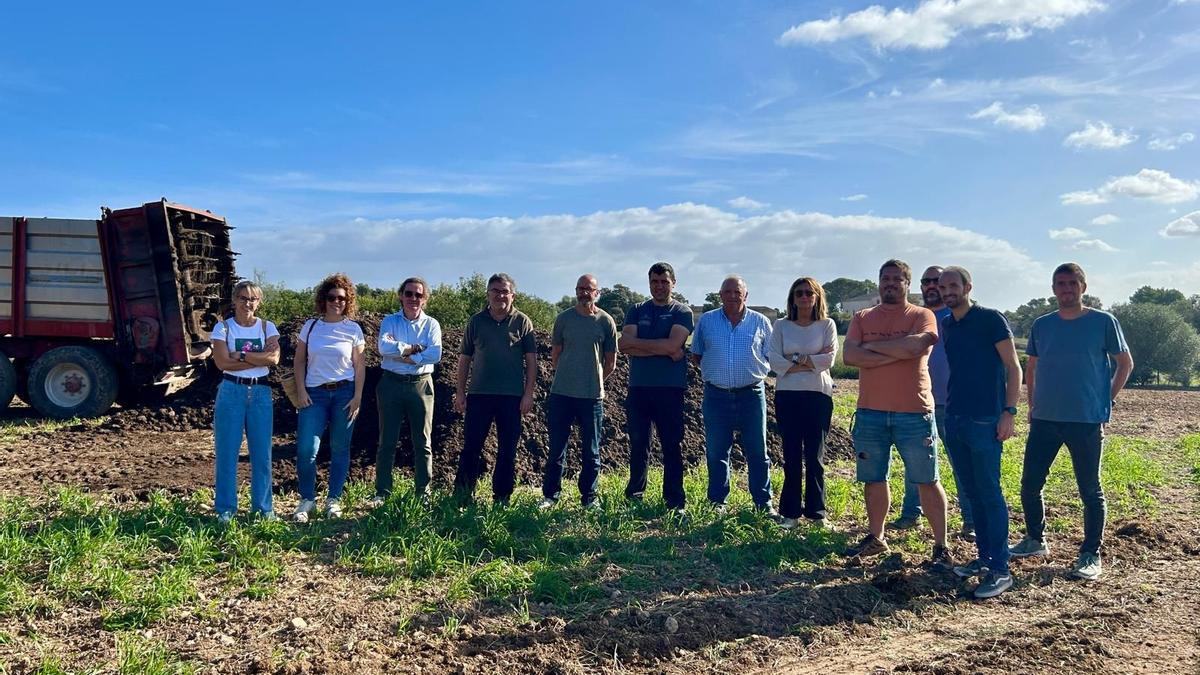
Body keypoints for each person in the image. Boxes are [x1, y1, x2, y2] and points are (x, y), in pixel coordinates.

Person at [1010, 262, 1133, 581]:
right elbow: (1032, 367)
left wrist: (1107, 399)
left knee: (1090, 489)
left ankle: (1091, 554)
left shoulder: (1104, 322)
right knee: (1030, 483)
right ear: (1053, 289)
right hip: (1045, 418)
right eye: (1060, 284)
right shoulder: (1042, 324)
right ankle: (1035, 540)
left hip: (1086, 420)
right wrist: (1033, 403)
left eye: (1072, 283)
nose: (1066, 289)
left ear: (1083, 287)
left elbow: (1125, 363)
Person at [842, 259, 951, 568]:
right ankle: (876, 538)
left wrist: (873, 350)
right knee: (874, 478)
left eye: (896, 279)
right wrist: (898, 350)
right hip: (870, 413)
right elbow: (850, 355)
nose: (890, 283)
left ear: (907, 284)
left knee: (927, 479)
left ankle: (941, 546)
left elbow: (918, 347)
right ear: (879, 282)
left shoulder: (922, 315)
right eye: (885, 278)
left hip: (913, 413)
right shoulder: (862, 317)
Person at [938, 266, 1022, 598]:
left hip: (986, 420)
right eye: (943, 287)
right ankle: (984, 558)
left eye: (953, 285)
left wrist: (1009, 412)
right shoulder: (947, 324)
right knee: (971, 495)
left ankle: (1000, 569)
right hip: (955, 418)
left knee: (989, 493)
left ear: (968, 287)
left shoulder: (991, 319)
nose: (947, 291)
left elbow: (1013, 366)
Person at [896, 265, 976, 543]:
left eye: (937, 282)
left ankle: (970, 521)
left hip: (953, 404)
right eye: (926, 282)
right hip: (919, 402)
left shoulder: (959, 317)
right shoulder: (918, 318)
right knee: (915, 463)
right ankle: (910, 514)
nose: (931, 286)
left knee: (961, 464)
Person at [690, 276, 776, 516]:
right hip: (716, 395)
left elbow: (769, 355)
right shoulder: (707, 321)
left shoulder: (760, 322)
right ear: (720, 295)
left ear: (745, 295)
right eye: (727, 292)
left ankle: (763, 502)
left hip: (751, 394)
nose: (732, 296)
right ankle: (718, 502)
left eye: (737, 292)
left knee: (758, 451)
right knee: (717, 451)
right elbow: (696, 354)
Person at [452, 273, 538, 506]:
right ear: (488, 294)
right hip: (479, 395)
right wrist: (461, 391)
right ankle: (462, 496)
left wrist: (528, 393)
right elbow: (464, 359)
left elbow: (531, 361)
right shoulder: (476, 322)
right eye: (495, 291)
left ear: (513, 295)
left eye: (505, 291)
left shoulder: (523, 322)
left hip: (511, 397)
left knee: (507, 450)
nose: (500, 295)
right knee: (471, 447)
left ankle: (502, 497)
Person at [618, 262, 694, 516]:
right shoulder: (637, 310)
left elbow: (674, 346)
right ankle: (635, 495)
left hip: (670, 389)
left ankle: (674, 500)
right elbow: (624, 345)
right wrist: (662, 348)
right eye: (654, 282)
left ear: (673, 283)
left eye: (664, 281)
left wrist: (641, 345)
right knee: (639, 442)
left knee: (672, 444)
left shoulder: (681, 312)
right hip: (639, 387)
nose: (659, 286)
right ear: (649, 283)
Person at [291, 273, 366, 522]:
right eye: (332, 297)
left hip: (344, 393)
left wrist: (357, 396)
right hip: (314, 395)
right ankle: (307, 500)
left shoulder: (353, 329)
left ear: (348, 301)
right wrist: (301, 390)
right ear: (323, 299)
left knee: (340, 448)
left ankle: (333, 500)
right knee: (306, 449)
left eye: (342, 298)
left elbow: (359, 366)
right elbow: (299, 360)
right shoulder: (311, 327)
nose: (337, 302)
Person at [540, 274, 618, 509]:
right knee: (556, 448)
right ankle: (550, 496)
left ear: (597, 293)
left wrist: (593, 380)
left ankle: (589, 497)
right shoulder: (564, 319)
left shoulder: (606, 322)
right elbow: (556, 355)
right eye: (581, 288)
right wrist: (571, 376)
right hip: (562, 394)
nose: (584, 292)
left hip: (592, 397)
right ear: (576, 291)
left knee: (591, 450)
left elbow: (611, 362)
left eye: (589, 289)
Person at [767, 276, 837, 530]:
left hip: (818, 396)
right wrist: (809, 362)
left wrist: (793, 360)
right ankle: (790, 513)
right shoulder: (782, 326)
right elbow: (774, 360)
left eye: (809, 293)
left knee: (815, 456)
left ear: (817, 296)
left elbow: (828, 360)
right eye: (799, 293)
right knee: (792, 456)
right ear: (792, 298)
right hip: (788, 397)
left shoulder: (826, 324)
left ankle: (817, 513)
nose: (804, 297)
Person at [210, 280, 280, 523]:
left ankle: (263, 509)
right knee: (227, 452)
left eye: (253, 298)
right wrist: (257, 359)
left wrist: (240, 354)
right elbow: (222, 363)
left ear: (259, 302)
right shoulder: (223, 329)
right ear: (234, 300)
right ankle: (226, 509)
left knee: (262, 454)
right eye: (243, 298)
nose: (247, 303)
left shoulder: (267, 327)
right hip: (231, 392)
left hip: (260, 393)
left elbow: (274, 358)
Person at [370, 277, 443, 506]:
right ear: (401, 295)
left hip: (421, 385)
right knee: (387, 441)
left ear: (425, 299)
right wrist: (415, 349)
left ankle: (423, 491)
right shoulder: (389, 321)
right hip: (391, 384)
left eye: (418, 295)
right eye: (409, 294)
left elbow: (436, 354)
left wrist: (403, 352)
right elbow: (383, 347)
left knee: (423, 441)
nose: (413, 299)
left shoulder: (432, 324)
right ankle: (382, 492)